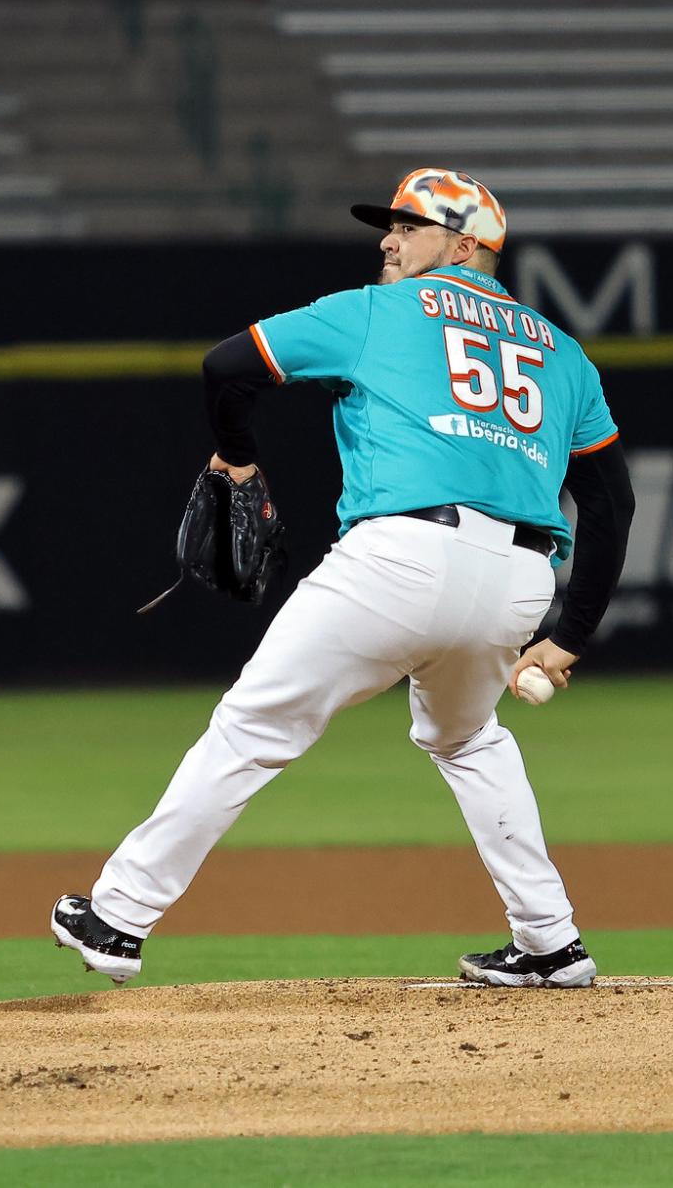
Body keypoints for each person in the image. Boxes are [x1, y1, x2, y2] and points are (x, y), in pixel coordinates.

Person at [52, 167, 636, 989]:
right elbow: (611, 503)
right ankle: (551, 942)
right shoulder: (563, 353)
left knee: (254, 726)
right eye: (385, 227)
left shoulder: (376, 310)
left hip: (400, 557)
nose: (388, 240)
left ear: (466, 244)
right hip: (517, 579)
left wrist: (239, 457)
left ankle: (117, 917)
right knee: (468, 737)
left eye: (408, 226)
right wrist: (570, 634)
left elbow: (228, 366)